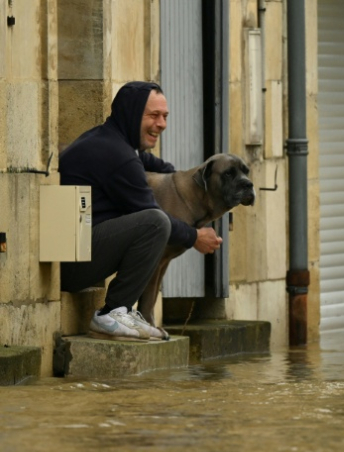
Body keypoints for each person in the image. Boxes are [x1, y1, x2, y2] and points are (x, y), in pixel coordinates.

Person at [59, 81, 223, 340]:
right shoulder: (118, 156)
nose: (162, 124)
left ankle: (124, 311)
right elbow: (151, 213)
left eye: (165, 116)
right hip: (70, 266)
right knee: (155, 222)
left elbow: (155, 164)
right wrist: (195, 237)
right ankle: (113, 311)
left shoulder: (110, 139)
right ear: (132, 114)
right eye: (153, 116)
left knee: (154, 220)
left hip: (77, 255)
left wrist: (181, 180)